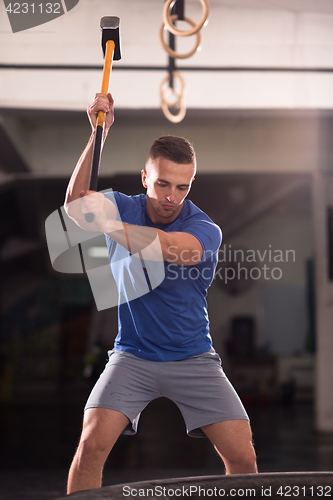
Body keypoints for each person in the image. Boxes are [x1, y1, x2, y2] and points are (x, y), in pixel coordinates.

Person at [65, 93, 258, 494]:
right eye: (163, 184)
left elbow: (169, 248)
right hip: (132, 356)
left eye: (183, 187)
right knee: (90, 446)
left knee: (243, 458)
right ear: (144, 178)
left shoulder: (205, 228)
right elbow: (73, 206)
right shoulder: (123, 206)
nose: (172, 196)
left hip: (193, 358)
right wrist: (97, 136)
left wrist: (106, 224)